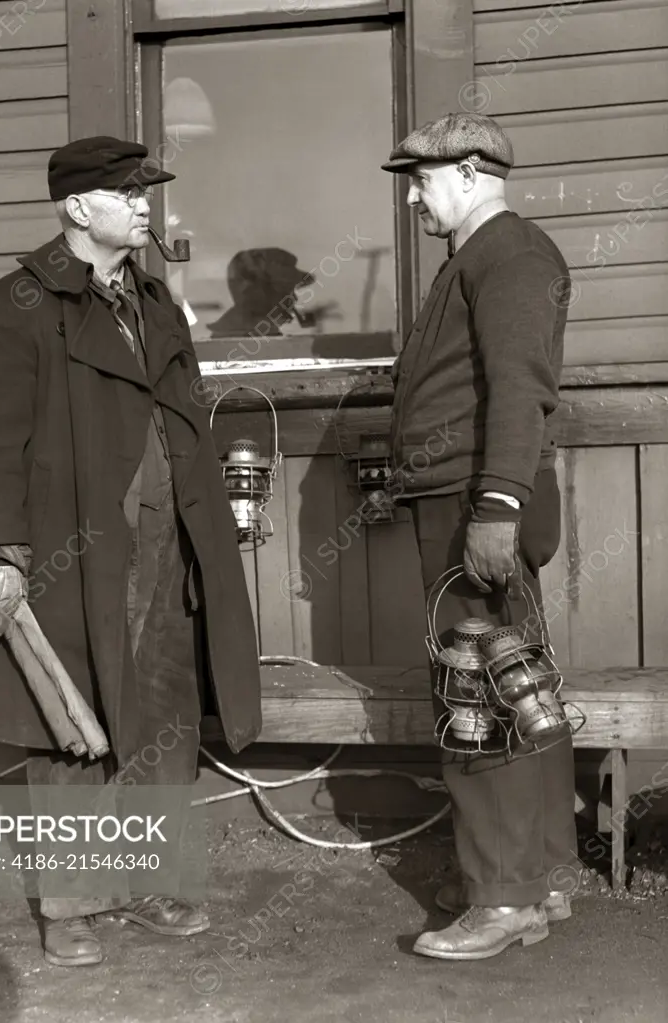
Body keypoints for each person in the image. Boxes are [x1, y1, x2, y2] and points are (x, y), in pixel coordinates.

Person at [0, 136, 262, 967]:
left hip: (168, 543)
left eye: (146, 191)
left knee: (159, 712)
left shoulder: (155, 302)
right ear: (80, 209)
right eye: (130, 193)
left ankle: (148, 883)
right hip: (70, 549)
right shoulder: (14, 306)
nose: (147, 204)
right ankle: (74, 906)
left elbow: (186, 421)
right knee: (70, 723)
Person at [381, 112, 578, 960]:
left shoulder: (508, 254)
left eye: (422, 179)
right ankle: (534, 876)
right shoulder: (478, 257)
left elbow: (519, 384)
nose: (416, 196)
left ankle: (502, 899)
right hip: (465, 497)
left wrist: (496, 505)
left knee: (477, 700)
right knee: (514, 686)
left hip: (475, 503)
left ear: (467, 171)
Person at [207, 248, 315, 338]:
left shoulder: (262, 331)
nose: (294, 298)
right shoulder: (245, 335)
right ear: (259, 292)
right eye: (286, 290)